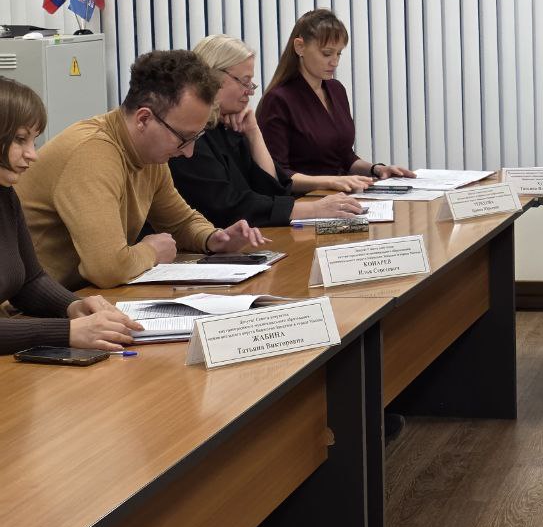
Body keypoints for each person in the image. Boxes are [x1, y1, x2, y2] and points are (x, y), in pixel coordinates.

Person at [16, 50, 266, 290]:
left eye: (196, 137)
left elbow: (179, 221)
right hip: (25, 308)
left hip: (75, 297)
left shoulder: (149, 156)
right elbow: (107, 268)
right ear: (143, 119)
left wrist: (214, 239)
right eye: (184, 137)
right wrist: (152, 251)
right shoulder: (91, 153)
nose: (189, 152)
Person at [0, 77, 144, 353]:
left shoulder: (6, 194)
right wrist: (66, 331)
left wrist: (73, 306)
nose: (32, 155)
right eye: (20, 140)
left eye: (34, 140)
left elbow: (29, 281)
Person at [169, 35, 372, 228]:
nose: (250, 91)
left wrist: (254, 133)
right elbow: (227, 206)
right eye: (245, 81)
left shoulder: (231, 126)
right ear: (213, 77)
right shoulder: (190, 135)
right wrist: (313, 209)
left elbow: (273, 190)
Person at [258, 9, 413, 180]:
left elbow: (344, 156)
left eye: (339, 53)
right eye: (327, 53)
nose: (335, 62)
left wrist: (376, 169)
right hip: (306, 195)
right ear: (300, 47)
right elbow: (277, 174)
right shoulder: (278, 100)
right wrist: (333, 182)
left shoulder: (336, 90)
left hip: (339, 192)